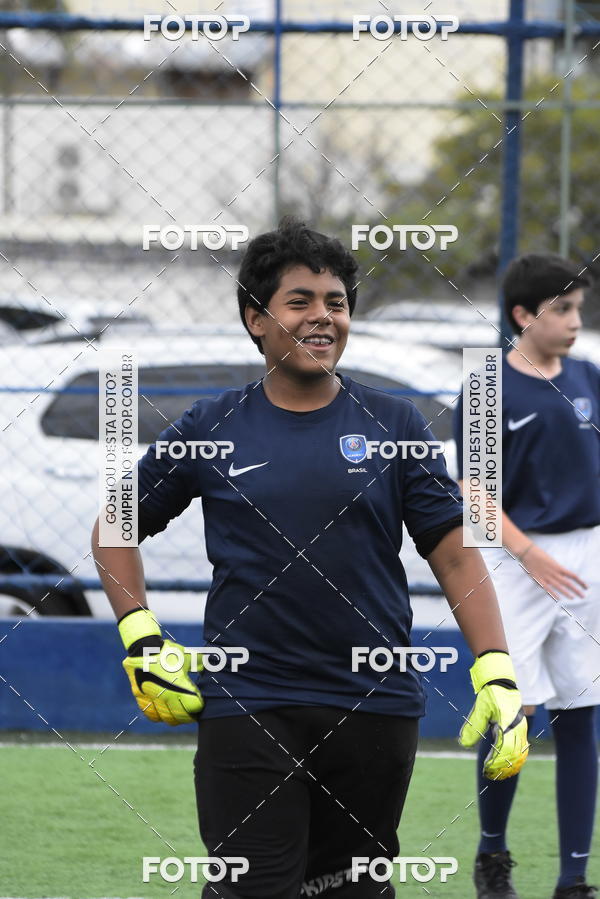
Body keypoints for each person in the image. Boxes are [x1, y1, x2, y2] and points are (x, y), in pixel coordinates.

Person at [92, 218, 527, 898]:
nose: (323, 315)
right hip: (248, 701)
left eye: (337, 301)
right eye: (301, 301)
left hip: (375, 702)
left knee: (352, 890)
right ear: (256, 318)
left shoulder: (396, 424)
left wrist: (497, 669)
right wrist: (141, 635)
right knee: (254, 887)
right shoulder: (212, 426)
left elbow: (455, 555)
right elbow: (114, 526)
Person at [453, 253, 600, 899]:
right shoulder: (485, 383)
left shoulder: (591, 374)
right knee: (512, 712)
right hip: (515, 563)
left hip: (588, 562)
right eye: (563, 308)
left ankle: (574, 876)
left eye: (579, 307)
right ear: (522, 314)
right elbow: (475, 490)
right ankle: (492, 857)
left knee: (581, 712)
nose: (575, 320)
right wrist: (531, 553)